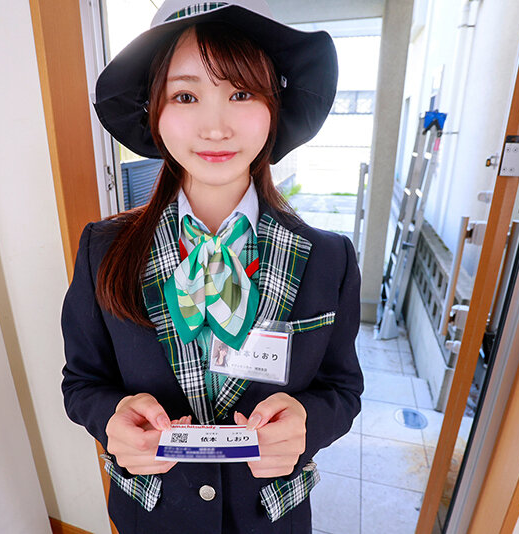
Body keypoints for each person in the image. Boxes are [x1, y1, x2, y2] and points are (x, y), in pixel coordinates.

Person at [61, 1, 364, 532]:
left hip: (271, 516)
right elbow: (82, 381)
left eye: (241, 93)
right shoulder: (102, 249)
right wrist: (111, 419)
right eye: (186, 95)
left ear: (275, 106)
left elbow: (342, 389)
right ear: (153, 111)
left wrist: (308, 423)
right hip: (153, 515)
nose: (215, 128)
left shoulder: (329, 258)